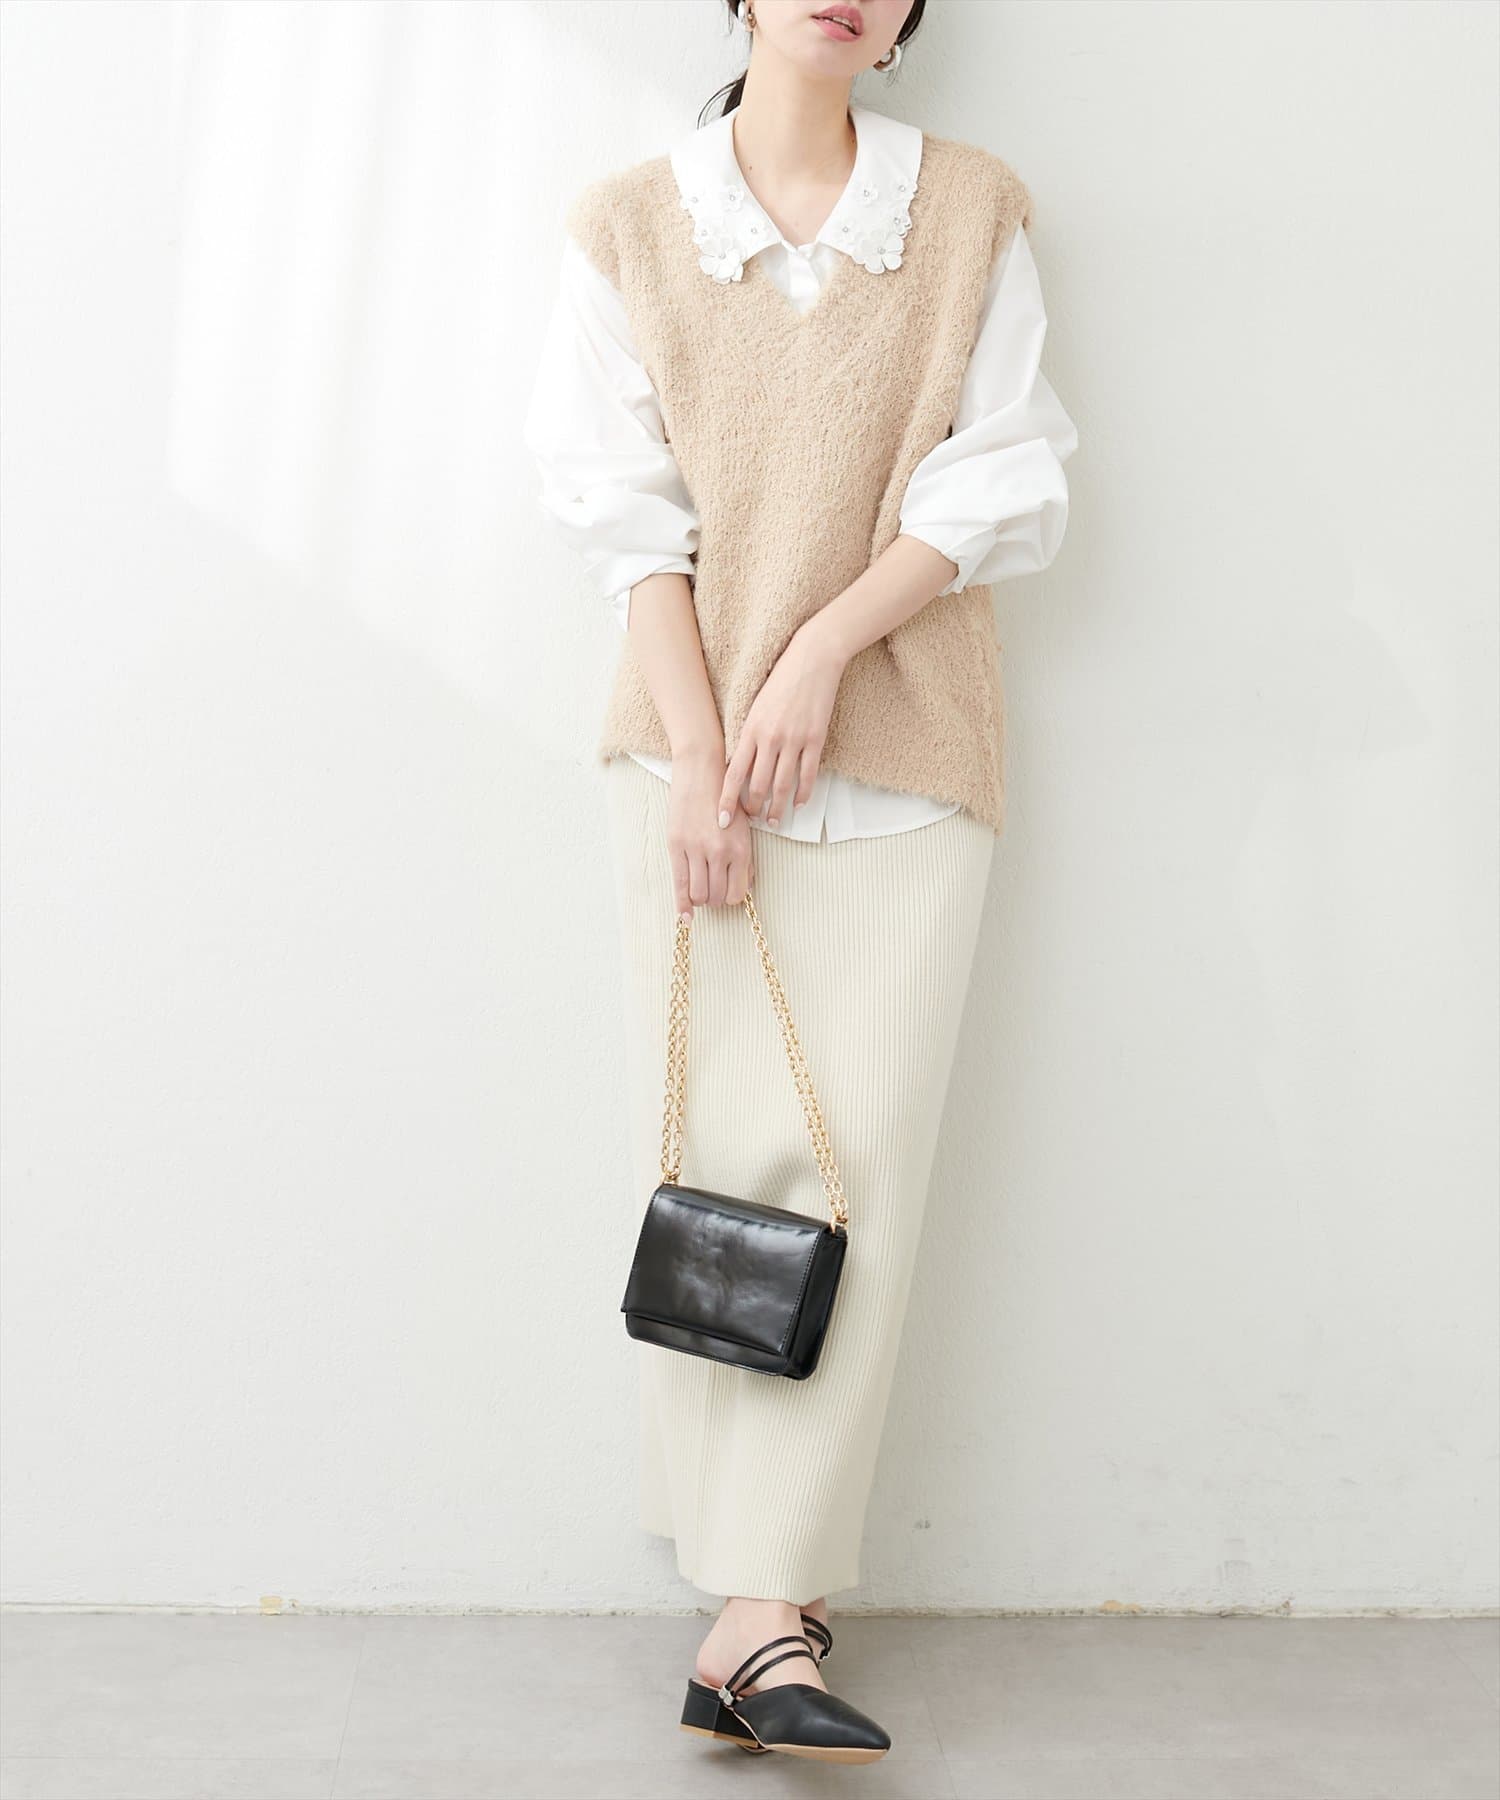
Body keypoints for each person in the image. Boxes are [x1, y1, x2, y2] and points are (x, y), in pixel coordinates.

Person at [524, 0, 1077, 1764]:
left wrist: (822, 655)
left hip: (910, 756)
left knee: (863, 1189)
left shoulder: (972, 208)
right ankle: (755, 1613)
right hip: (690, 773)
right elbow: (621, 516)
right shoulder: (629, 224)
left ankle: (762, 1612)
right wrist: (704, 758)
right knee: (713, 1178)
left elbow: (1003, 476)